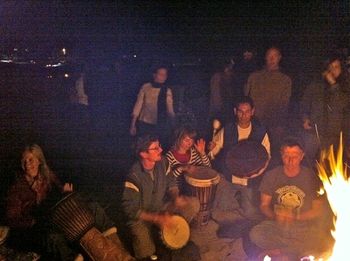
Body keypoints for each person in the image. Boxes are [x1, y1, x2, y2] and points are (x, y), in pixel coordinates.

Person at [6, 144, 130, 261]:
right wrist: (32, 221)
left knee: (92, 206)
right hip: (40, 226)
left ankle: (116, 247)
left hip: (56, 217)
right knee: (54, 238)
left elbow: (62, 193)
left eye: (31, 160)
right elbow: (11, 218)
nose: (27, 165)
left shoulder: (47, 175)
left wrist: (66, 192)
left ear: (39, 160)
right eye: (24, 161)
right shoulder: (17, 188)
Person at [122, 135, 200, 260]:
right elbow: (130, 209)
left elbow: (171, 182)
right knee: (147, 254)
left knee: (193, 204)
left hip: (160, 207)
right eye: (155, 148)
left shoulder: (163, 162)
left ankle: (170, 234)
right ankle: (156, 234)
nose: (161, 150)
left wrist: (175, 198)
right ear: (143, 154)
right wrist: (157, 218)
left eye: (160, 146)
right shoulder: (134, 176)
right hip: (142, 217)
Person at [249, 137, 325, 259]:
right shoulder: (272, 175)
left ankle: (279, 251)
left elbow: (317, 210)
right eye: (286, 155)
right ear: (281, 155)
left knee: (321, 237)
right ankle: (294, 250)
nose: (290, 160)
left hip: (301, 226)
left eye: (295, 155)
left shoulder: (311, 177)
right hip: (276, 225)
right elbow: (264, 205)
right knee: (256, 234)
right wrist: (276, 216)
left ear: (302, 156)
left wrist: (295, 216)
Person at [209, 96, 270, 220]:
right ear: (235, 111)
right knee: (217, 214)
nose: (244, 115)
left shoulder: (260, 132)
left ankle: (239, 213)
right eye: (241, 112)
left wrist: (255, 174)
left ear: (253, 111)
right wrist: (211, 148)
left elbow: (267, 157)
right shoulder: (227, 129)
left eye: (247, 111)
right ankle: (237, 212)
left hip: (250, 181)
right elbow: (213, 153)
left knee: (251, 214)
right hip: (228, 178)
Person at [244, 47, 292, 156]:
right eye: (269, 56)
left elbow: (285, 104)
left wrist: (281, 124)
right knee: (253, 152)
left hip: (274, 125)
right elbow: (246, 99)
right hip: (255, 123)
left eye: (274, 56)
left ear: (279, 58)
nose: (271, 59)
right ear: (265, 57)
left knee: (272, 153)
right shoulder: (254, 77)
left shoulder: (285, 80)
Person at [301, 55, 350, 151]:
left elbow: (343, 104)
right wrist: (305, 117)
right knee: (312, 162)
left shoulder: (345, 87)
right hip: (314, 133)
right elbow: (304, 104)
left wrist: (333, 84)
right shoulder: (315, 85)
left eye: (336, 67)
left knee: (331, 164)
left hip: (336, 136)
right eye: (330, 67)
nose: (333, 70)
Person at [129, 66, 176, 142]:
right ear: (154, 75)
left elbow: (170, 110)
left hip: (159, 125)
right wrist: (133, 125)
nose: (163, 77)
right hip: (144, 123)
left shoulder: (167, 90)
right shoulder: (145, 87)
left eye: (165, 75)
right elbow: (138, 106)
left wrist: (173, 125)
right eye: (161, 74)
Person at [209, 59, 241, 124]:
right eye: (230, 66)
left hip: (228, 112)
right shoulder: (217, 77)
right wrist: (219, 110)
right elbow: (216, 97)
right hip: (220, 113)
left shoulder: (231, 78)